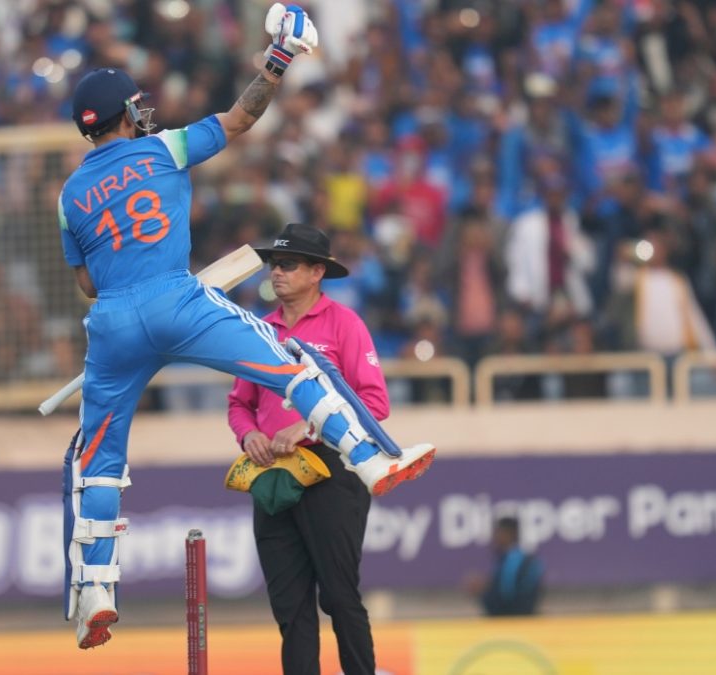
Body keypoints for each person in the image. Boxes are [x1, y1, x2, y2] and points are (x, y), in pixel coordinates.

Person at [57, 4, 436, 651]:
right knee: (289, 362)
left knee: (94, 457)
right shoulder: (162, 147)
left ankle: (94, 590)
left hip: (113, 320)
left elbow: (86, 283)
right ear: (125, 115)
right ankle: (372, 459)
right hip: (179, 298)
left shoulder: (69, 196)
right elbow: (241, 118)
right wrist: (279, 58)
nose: (144, 110)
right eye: (136, 105)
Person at [227, 223, 393, 675]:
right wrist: (249, 436)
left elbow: (376, 404)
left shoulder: (345, 325)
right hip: (274, 476)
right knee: (291, 609)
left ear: (317, 271)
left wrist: (309, 426)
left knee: (339, 597)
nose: (276, 273)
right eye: (273, 265)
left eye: (287, 265)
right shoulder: (260, 331)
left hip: (333, 473)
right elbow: (240, 404)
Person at [465, 516, 545, 617]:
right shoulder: (507, 559)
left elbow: (507, 601)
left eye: (499, 532)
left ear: (511, 534)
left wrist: (483, 593)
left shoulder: (516, 561)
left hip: (515, 623)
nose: (495, 537)